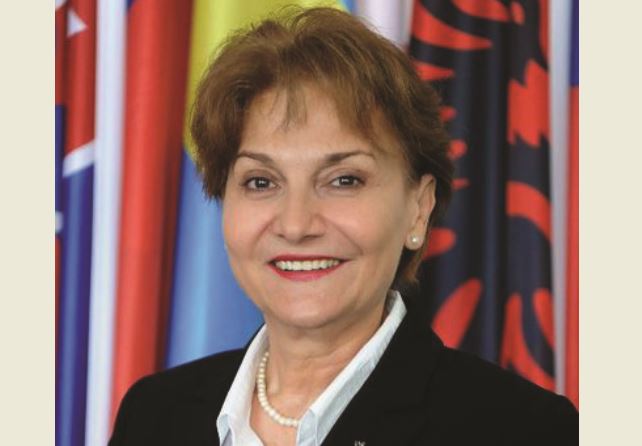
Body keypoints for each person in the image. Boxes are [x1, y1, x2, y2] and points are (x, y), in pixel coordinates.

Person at [109, 7, 578, 446]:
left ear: (419, 208)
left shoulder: (524, 429)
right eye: (261, 181)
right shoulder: (153, 416)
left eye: (344, 180)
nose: (296, 224)